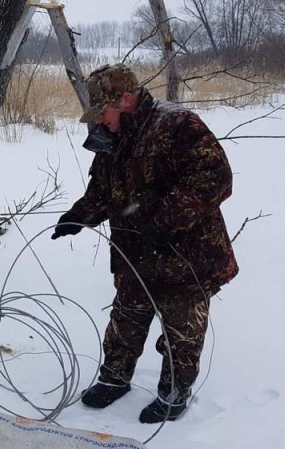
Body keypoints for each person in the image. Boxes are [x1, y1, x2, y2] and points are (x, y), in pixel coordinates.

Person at [51, 64, 238, 423]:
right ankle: (115, 379)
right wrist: (79, 216)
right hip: (134, 255)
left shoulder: (177, 124)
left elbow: (215, 177)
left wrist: (166, 223)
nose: (100, 121)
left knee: (181, 334)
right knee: (125, 320)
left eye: (103, 111)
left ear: (124, 99)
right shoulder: (113, 136)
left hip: (185, 258)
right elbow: (103, 191)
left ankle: (174, 393)